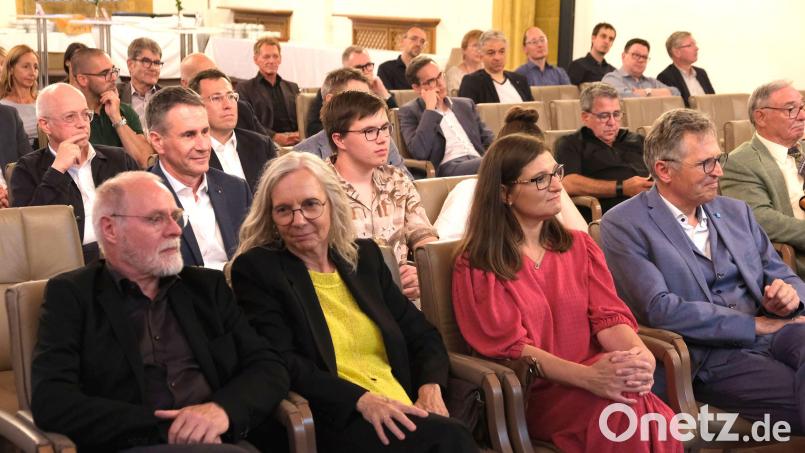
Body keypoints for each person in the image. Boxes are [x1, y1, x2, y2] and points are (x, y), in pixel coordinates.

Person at [230, 151, 477, 452]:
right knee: (452, 439)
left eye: (310, 205)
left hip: (402, 400)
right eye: (284, 210)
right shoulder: (259, 270)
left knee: (451, 431)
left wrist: (430, 387)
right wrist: (360, 400)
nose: (299, 220)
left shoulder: (363, 257)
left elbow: (421, 334)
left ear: (332, 204)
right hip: (337, 413)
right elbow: (284, 360)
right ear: (271, 217)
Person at [452, 133, 681, 452]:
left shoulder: (579, 246)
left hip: (599, 376)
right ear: (505, 193)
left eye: (556, 172)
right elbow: (512, 350)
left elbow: (609, 319)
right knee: (629, 416)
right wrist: (589, 378)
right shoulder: (478, 263)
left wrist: (637, 355)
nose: (557, 185)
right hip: (536, 392)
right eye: (539, 179)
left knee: (646, 412)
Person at [31, 170, 289, 452]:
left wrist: (222, 411)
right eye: (156, 219)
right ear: (110, 229)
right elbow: (52, 400)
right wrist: (166, 428)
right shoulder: (73, 295)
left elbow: (268, 366)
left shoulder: (206, 288)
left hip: (224, 439)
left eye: (175, 217)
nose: (176, 230)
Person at [601, 108, 805, 435]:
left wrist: (789, 296)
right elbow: (660, 308)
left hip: (779, 330)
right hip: (709, 356)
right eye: (705, 163)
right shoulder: (624, 224)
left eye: (718, 158)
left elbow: (781, 272)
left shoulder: (735, 211)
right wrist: (752, 325)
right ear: (664, 170)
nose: (719, 171)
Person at [323, 90, 437, 300]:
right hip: (347, 298)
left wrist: (422, 272)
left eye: (385, 128)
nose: (383, 139)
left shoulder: (397, 180)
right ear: (339, 139)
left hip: (402, 298)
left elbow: (425, 238)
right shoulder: (318, 188)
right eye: (370, 131)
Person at [11, 83, 139, 263]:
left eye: (86, 114)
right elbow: (26, 232)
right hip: (66, 266)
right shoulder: (27, 169)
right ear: (45, 125)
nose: (82, 124)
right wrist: (57, 171)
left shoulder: (119, 159)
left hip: (127, 258)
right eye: (70, 117)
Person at [433, 106, 587, 240]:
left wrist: (551, 175)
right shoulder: (469, 190)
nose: (556, 187)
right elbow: (443, 248)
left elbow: (583, 243)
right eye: (540, 178)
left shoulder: (550, 194)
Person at [147, 86, 252, 270]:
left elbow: (255, 257)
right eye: (189, 135)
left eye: (205, 132)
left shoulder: (236, 189)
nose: (203, 146)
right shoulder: (139, 201)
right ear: (158, 141)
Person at [720, 80, 805, 278]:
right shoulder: (740, 163)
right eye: (791, 109)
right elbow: (760, 218)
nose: (802, 116)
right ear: (761, 117)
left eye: (802, 107)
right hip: (795, 258)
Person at [293, 68, 411, 178]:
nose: (366, 106)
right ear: (331, 101)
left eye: (368, 98)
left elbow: (408, 182)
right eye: (356, 98)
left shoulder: (383, 137)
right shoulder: (303, 154)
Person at [554, 82, 652, 214]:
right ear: (585, 117)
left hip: (652, 207)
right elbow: (569, 183)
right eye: (604, 116)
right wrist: (622, 188)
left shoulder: (637, 139)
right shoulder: (570, 143)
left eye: (616, 114)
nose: (612, 122)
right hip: (611, 213)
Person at [399, 56, 494, 176]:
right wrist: (430, 110)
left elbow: (489, 139)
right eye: (431, 81)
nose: (441, 83)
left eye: (440, 76)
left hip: (478, 160)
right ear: (417, 88)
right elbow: (419, 152)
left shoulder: (465, 104)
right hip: (448, 166)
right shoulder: (409, 111)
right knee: (495, 164)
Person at [190, 68, 277, 192]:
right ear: (197, 105)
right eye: (216, 98)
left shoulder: (261, 145)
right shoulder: (193, 153)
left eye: (231, 96)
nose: (228, 105)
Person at [72, 48, 152, 167]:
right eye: (105, 73)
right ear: (83, 79)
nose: (114, 78)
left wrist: (116, 118)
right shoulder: (70, 117)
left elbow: (145, 161)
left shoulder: (124, 111)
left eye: (113, 71)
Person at [305, 45, 398, 137]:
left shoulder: (378, 89)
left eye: (368, 65)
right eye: (358, 67)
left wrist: (384, 94)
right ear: (346, 69)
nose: (365, 71)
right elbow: (313, 128)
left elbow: (397, 124)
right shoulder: (332, 91)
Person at [179, 52, 267, 136]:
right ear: (185, 84)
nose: (227, 105)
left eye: (215, 74)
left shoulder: (242, 109)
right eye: (204, 77)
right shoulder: (176, 117)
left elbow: (268, 145)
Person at [236, 36, 300, 146]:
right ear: (256, 59)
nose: (271, 60)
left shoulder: (292, 87)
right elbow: (246, 121)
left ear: (280, 59)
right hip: (264, 142)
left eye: (275, 56)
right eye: (266, 57)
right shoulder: (245, 88)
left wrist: (300, 133)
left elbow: (301, 117)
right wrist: (274, 137)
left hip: (296, 141)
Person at [458, 30, 534, 104]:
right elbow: (465, 114)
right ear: (481, 55)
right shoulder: (472, 82)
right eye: (491, 53)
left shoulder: (520, 80)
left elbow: (534, 111)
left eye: (502, 51)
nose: (497, 58)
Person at [601, 38, 680, 98]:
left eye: (644, 57)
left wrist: (646, 92)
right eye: (636, 55)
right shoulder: (611, 78)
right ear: (623, 56)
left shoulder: (652, 82)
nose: (641, 60)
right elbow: (626, 97)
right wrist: (658, 94)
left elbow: (675, 93)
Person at [656, 32, 714, 107]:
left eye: (695, 44)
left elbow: (713, 101)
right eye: (690, 45)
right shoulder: (666, 77)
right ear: (677, 52)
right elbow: (674, 110)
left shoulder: (701, 73)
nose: (696, 48)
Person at [0, 44, 39, 149]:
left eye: (35, 67)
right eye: (26, 66)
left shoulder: (44, 101)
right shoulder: (3, 106)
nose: (32, 73)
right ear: (11, 69)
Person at [118, 37, 164, 126]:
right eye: (146, 61)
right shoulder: (116, 95)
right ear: (130, 64)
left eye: (157, 63)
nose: (153, 68)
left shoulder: (168, 97)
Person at [445, 29, 483, 95]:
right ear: (464, 50)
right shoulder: (454, 74)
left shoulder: (489, 70)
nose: (479, 50)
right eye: (475, 45)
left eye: (482, 45)